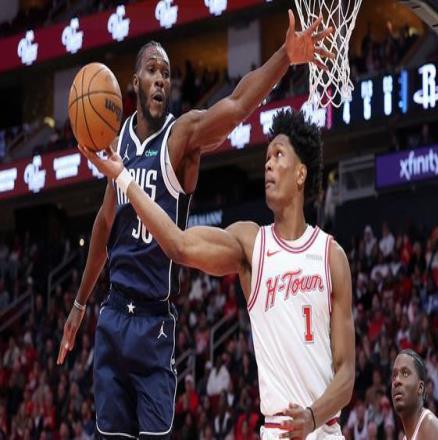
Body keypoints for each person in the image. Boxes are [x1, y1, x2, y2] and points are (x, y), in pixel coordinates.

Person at [57, 11, 333, 438]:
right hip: (112, 314)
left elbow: (237, 105)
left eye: (166, 74)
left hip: (153, 320)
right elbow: (104, 225)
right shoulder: (118, 142)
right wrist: (79, 305)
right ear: (134, 82)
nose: (161, 80)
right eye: (152, 70)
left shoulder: (181, 136)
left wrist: (285, 56)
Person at [81, 109, 355, 439]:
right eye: (267, 157)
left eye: (278, 155)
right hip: (277, 430)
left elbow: (346, 375)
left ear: (300, 174)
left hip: (324, 429)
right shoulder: (251, 244)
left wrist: (311, 418)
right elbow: (179, 244)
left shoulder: (331, 256)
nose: (268, 164)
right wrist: (125, 179)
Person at [391, 349, 438, 440]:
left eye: (405, 373)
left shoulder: (429, 426)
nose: (396, 381)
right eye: (394, 375)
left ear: (420, 387)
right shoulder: (406, 438)